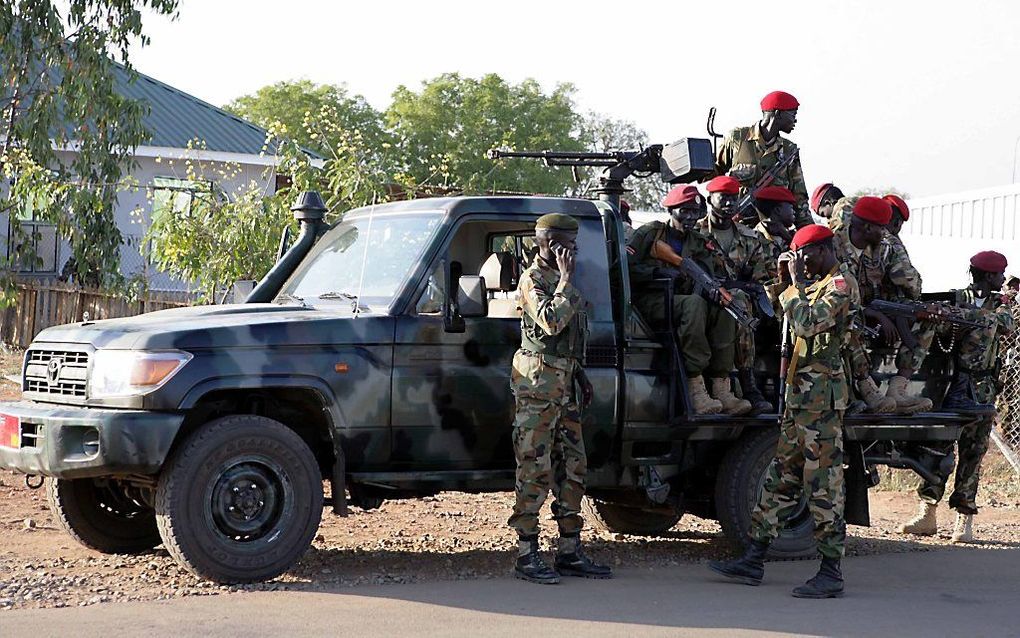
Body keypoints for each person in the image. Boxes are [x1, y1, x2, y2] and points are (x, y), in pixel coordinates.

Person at [708, 224, 859, 599]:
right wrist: (782, 282)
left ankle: (831, 570)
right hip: (801, 398)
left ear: (823, 251)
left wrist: (794, 283)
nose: (802, 263)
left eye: (805, 255)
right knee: (781, 478)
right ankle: (754, 557)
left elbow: (806, 323)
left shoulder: (841, 285)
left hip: (822, 400)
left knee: (823, 484)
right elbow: (786, 314)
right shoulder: (813, 285)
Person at [508, 213, 612, 584]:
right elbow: (550, 321)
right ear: (550, 243)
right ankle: (526, 554)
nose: (574, 251)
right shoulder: (533, 280)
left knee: (572, 464)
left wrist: (578, 373)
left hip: (565, 380)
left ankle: (569, 550)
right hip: (538, 382)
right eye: (568, 244)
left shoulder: (561, 279)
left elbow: (571, 334)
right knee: (534, 464)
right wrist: (566, 280)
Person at [900, 250, 1015, 542]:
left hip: (982, 387)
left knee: (973, 452)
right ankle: (927, 513)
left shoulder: (998, 306)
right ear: (988, 275)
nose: (1003, 279)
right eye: (999, 275)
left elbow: (1005, 325)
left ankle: (963, 520)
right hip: (951, 384)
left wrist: (961, 316)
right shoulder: (957, 298)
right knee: (939, 448)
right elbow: (933, 321)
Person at [628, 185, 750, 415]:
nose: (690, 218)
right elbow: (622, 269)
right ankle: (696, 387)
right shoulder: (650, 234)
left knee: (724, 308)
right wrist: (656, 273)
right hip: (650, 302)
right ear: (671, 210)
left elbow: (709, 277)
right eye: (684, 211)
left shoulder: (699, 242)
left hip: (685, 302)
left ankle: (721, 386)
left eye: (695, 212)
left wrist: (714, 291)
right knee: (694, 305)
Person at [835, 197, 928, 414]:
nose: (887, 233)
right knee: (848, 317)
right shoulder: (833, 245)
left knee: (923, 313)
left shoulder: (882, 248)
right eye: (881, 228)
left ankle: (898, 388)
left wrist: (890, 311)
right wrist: (874, 313)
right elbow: (833, 297)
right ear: (867, 228)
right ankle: (865, 386)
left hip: (872, 308)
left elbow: (911, 285)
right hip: (843, 311)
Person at [696, 175, 773, 414]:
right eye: (723, 199)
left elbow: (764, 278)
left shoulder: (750, 238)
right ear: (710, 200)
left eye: (733, 199)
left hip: (738, 304)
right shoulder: (696, 233)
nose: (729, 204)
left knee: (740, 301)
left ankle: (747, 382)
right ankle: (733, 385)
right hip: (702, 298)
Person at [715, 90, 813, 228]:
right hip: (736, 226)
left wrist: (808, 232)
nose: (795, 120)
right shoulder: (737, 138)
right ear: (778, 114)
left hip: (773, 233)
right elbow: (715, 174)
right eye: (793, 114)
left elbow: (799, 197)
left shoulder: (788, 150)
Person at [750, 185, 797, 304]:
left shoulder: (791, 237)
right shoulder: (754, 241)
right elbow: (759, 284)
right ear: (777, 210)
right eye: (790, 207)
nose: (794, 212)